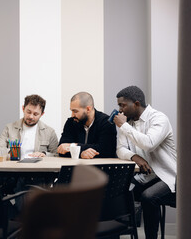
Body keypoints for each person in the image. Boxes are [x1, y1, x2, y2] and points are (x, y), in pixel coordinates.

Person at [114, 86, 177, 239]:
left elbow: (149, 143)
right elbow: (120, 149)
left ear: (136, 104)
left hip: (168, 176)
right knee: (117, 192)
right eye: (119, 105)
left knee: (149, 197)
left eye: (123, 105)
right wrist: (135, 157)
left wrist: (124, 126)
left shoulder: (158, 118)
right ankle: (116, 234)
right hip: (148, 175)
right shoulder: (128, 123)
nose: (120, 110)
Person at [58, 92, 117, 158]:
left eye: (75, 111)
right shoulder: (71, 122)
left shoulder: (106, 122)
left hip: (100, 167)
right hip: (75, 166)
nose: (72, 115)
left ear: (88, 109)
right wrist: (81, 153)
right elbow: (61, 149)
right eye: (71, 111)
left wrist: (74, 146)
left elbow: (107, 150)